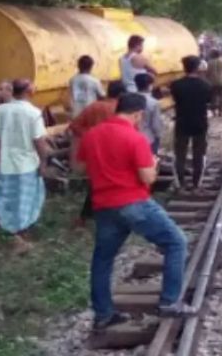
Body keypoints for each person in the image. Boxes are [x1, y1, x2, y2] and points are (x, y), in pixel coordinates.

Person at [76, 93, 191, 330]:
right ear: (138, 114)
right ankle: (170, 302)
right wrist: (154, 164)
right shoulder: (135, 138)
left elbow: (80, 166)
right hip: (133, 202)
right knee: (176, 242)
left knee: (103, 259)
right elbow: (147, 177)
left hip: (103, 206)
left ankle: (104, 314)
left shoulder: (92, 135)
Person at [0, 79, 51, 253]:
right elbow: (39, 142)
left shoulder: (1, 110)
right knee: (26, 200)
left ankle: (9, 233)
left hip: (6, 163)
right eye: (32, 86)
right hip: (27, 164)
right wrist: (44, 163)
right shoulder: (33, 113)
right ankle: (20, 236)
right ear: (27, 91)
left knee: (5, 198)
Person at [70, 81, 126, 226]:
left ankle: (85, 216)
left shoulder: (94, 106)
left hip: (96, 151)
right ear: (121, 94)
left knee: (96, 182)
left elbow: (74, 125)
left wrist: (90, 135)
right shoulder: (122, 110)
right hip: (116, 152)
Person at [169, 56, 212, 190]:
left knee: (180, 153)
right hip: (200, 123)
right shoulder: (206, 85)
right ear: (198, 67)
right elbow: (208, 102)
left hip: (182, 122)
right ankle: (196, 183)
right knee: (199, 153)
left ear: (184, 67)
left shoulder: (176, 85)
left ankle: (180, 182)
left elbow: (176, 100)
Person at [134, 73, 164, 155]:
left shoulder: (129, 98)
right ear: (150, 86)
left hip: (131, 136)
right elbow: (156, 124)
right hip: (148, 137)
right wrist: (159, 135)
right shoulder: (153, 102)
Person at [206, 50, 222, 117]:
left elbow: (207, 73)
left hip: (212, 82)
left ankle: (214, 112)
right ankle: (221, 112)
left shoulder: (210, 63)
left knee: (213, 96)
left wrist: (207, 80)